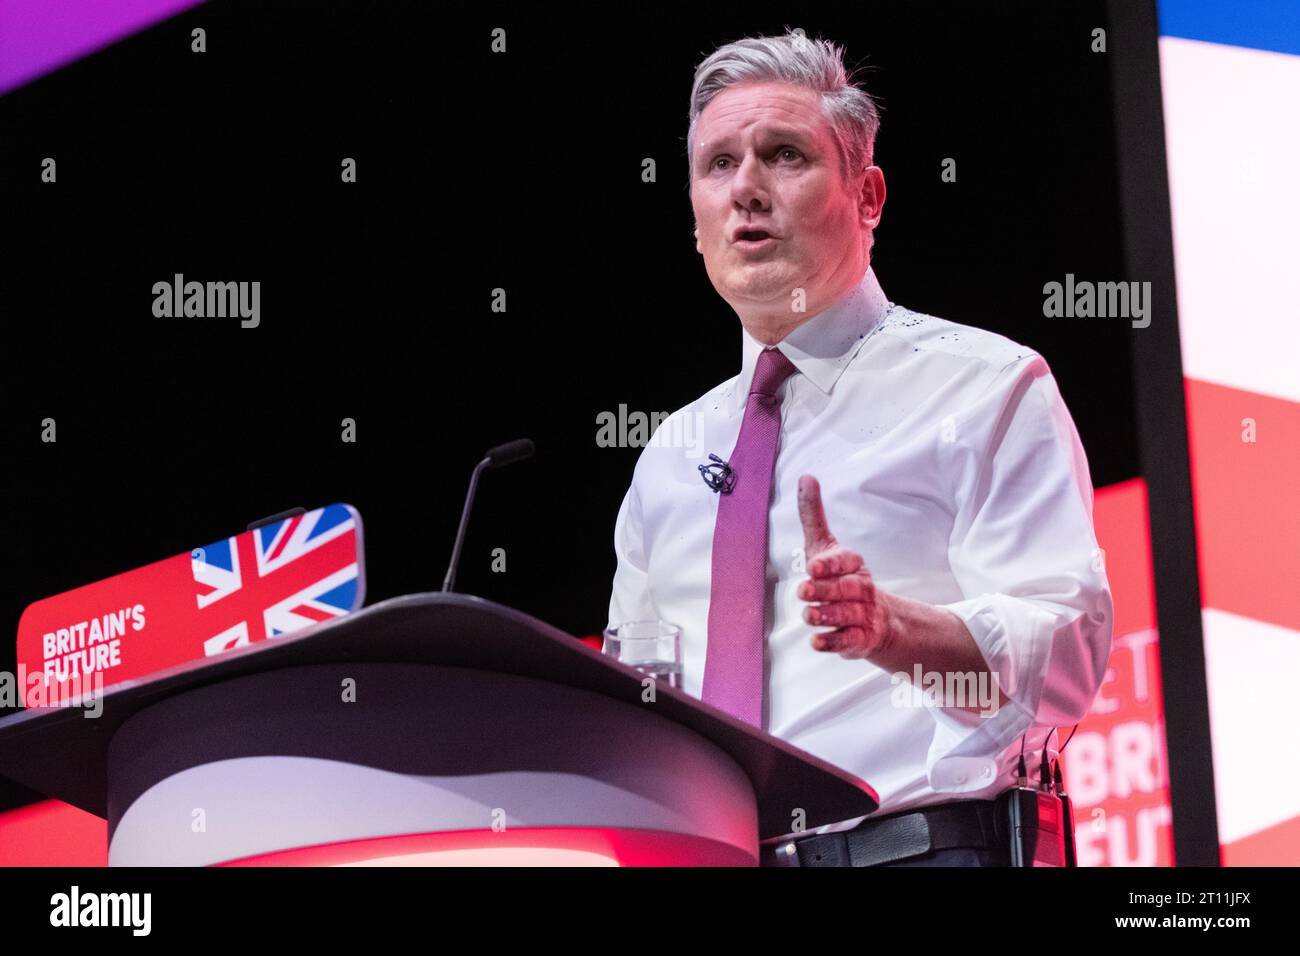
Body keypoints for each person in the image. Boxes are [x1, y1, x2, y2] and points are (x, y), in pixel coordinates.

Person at [607, 30, 1113, 866]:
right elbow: (638, 699)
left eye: (784, 155)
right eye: (718, 165)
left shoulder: (984, 385)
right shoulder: (670, 454)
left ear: (868, 195)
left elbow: (1067, 654)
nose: (747, 191)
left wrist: (894, 630)